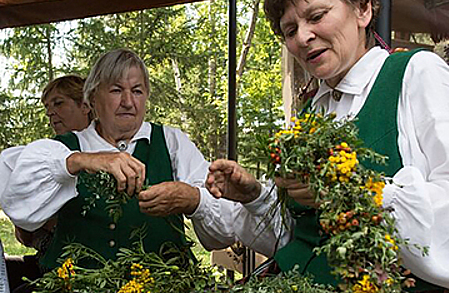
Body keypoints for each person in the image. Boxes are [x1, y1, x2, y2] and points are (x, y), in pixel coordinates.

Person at [205, 0, 449, 292]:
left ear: (362, 9)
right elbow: (306, 237)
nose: (303, 37)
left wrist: (359, 192)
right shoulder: (311, 114)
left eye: (317, 17)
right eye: (290, 30)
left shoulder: (417, 76)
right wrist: (256, 195)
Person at [0, 49, 284, 273]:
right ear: (92, 98)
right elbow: (14, 192)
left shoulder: (171, 143)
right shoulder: (65, 148)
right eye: (115, 90)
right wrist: (80, 161)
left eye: (137, 91)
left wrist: (194, 199)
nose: (128, 101)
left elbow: (224, 228)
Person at [5, 75, 92, 293]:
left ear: (85, 105)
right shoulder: (43, 159)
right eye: (47, 107)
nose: (50, 112)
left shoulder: (104, 155)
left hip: (85, 269)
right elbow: (24, 236)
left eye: (58, 103)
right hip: (49, 260)